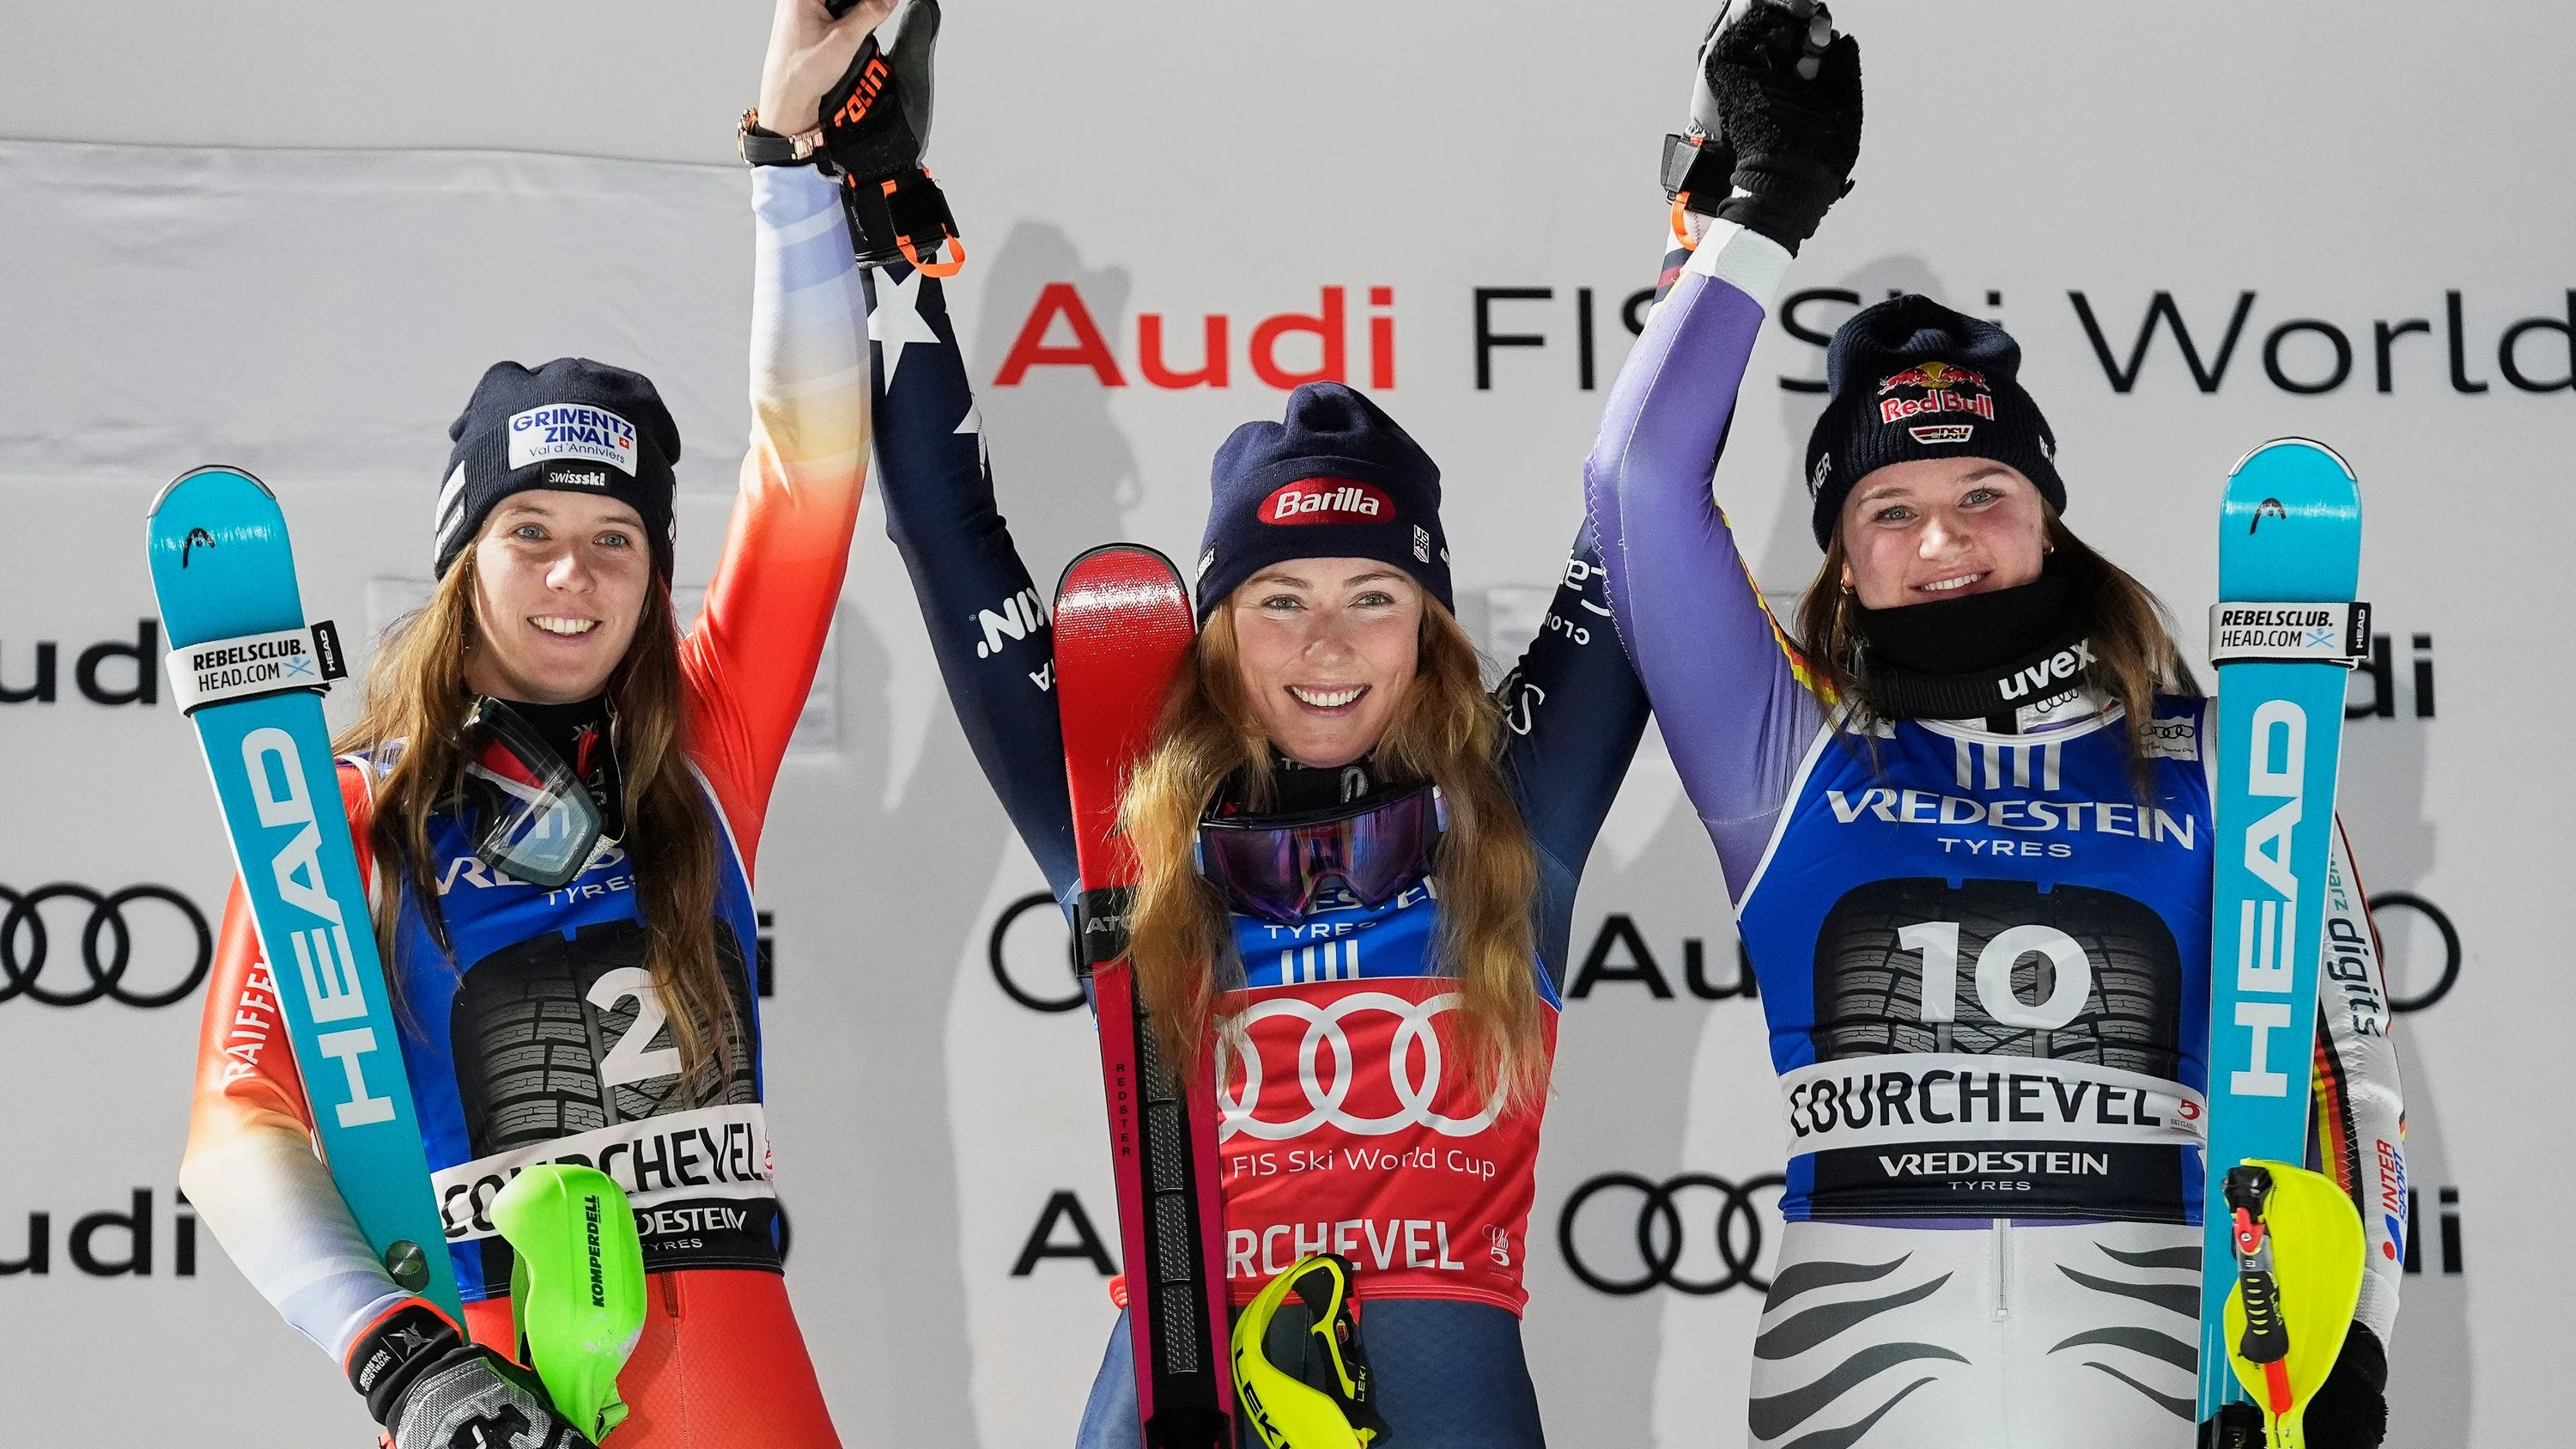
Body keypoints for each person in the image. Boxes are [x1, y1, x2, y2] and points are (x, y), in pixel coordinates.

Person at [1583, 6, 2404, 1447]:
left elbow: (2349, 1085)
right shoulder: (1790, 757)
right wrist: (1759, 213)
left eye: (1984, 497)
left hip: (2160, 1383)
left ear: (2047, 521)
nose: (1942, 538)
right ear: (1843, 554)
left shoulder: (2227, 757)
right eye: (1888, 510)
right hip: (1856, 1387)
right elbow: (1641, 484)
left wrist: (2341, 1359)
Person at [850, 64, 1690, 1449]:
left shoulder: (1513, 803)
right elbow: (950, 544)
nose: (1327, 645)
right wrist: (884, 230)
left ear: (1428, 628)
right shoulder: (1130, 815)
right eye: (1280, 600)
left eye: (1374, 598)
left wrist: (1716, 240)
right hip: (1179, 1383)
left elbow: (1640, 514)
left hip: (1449, 1392)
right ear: (1215, 625)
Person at [177, 3, 901, 1443]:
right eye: (529, 531)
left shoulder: (703, 748)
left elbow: (810, 463)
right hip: (488, 1385)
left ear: (654, 573)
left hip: (731, 1366)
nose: (573, 575)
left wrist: (787, 158)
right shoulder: (343, 801)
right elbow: (233, 1126)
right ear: (465, 559)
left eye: (616, 541)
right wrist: (404, 1359)